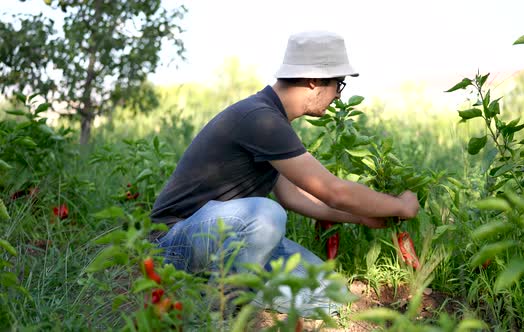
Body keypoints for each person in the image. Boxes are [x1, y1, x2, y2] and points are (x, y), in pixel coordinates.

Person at [150, 30, 420, 317]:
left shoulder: (270, 119)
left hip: (224, 240)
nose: (339, 95)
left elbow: (293, 196)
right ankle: (219, 308)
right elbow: (333, 191)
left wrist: (362, 217)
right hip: (174, 242)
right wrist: (400, 205)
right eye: (338, 84)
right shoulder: (260, 118)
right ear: (315, 81)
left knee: (335, 300)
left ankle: (227, 286)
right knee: (267, 214)